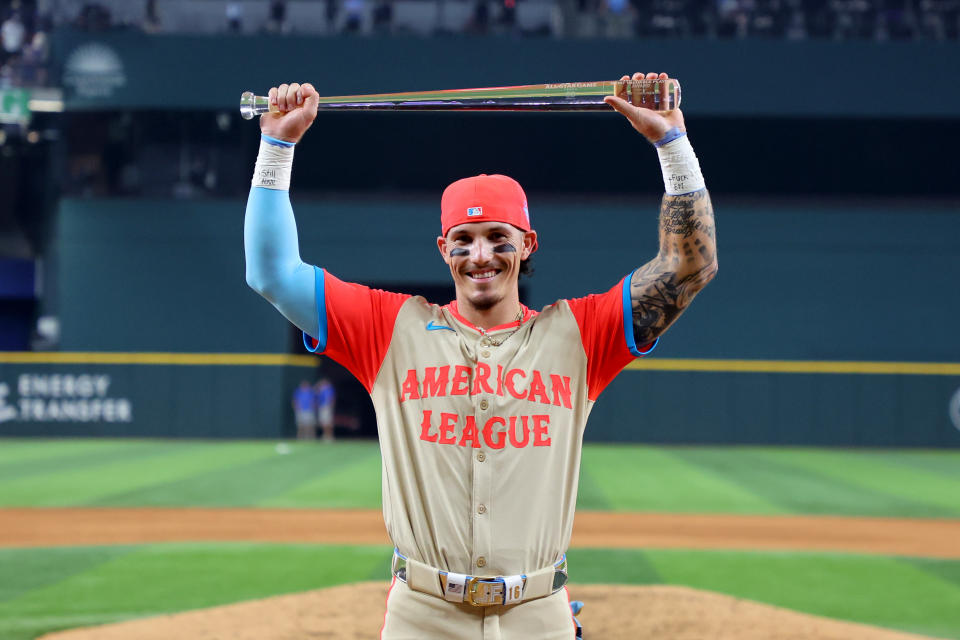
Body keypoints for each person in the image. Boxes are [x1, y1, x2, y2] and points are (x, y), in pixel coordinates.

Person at [245, 73, 716, 639]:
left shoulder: (580, 335)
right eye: (464, 239)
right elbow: (272, 274)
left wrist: (672, 143)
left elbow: (689, 268)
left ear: (528, 243)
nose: (481, 254)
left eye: (498, 236)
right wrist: (277, 146)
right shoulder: (390, 329)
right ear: (443, 250)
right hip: (422, 614)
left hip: (536, 613)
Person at [314, 378, 336, 442]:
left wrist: (331, 406)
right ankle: (325, 435)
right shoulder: (320, 389)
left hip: (327, 407)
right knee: (323, 422)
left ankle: (330, 435)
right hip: (322, 406)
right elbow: (315, 391)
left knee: (328, 422)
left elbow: (332, 398)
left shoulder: (329, 389)